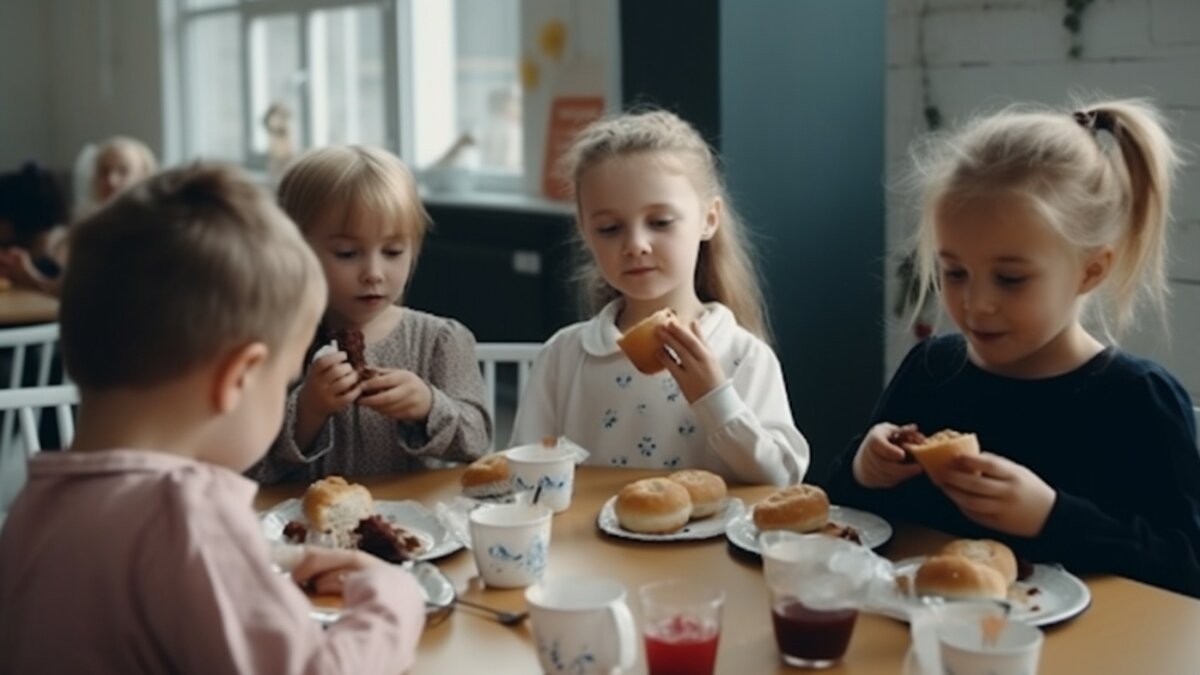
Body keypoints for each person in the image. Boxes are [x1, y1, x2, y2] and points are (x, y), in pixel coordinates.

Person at [0, 163, 426, 672]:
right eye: (282, 377)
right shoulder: (188, 516)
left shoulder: (33, 506)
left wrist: (261, 570)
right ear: (238, 378)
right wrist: (393, 600)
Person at [825, 98, 1200, 597]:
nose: (976, 304)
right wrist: (864, 469)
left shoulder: (1139, 400)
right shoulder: (931, 368)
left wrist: (1050, 515)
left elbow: (1185, 567)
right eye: (954, 272)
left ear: (1091, 269)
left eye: (1010, 279)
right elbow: (842, 516)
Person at [509, 109, 808, 486]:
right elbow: (525, 480)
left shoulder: (744, 356)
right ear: (585, 231)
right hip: (588, 546)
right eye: (610, 228)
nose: (635, 245)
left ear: (708, 219)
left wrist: (715, 398)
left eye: (660, 222)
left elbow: (781, 480)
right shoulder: (564, 357)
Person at [250, 145, 492, 483]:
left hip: (417, 529)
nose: (374, 272)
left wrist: (428, 405)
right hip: (307, 528)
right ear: (297, 253)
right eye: (348, 253)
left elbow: (478, 441)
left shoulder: (440, 341)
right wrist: (308, 411)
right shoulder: (277, 346)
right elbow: (251, 467)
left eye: (393, 251)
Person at [0, 137, 157, 296]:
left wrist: (31, 277)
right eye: (103, 171)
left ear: (144, 176)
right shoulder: (88, 225)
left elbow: (90, 295)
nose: (111, 180)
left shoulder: (150, 231)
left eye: (123, 171)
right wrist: (28, 275)